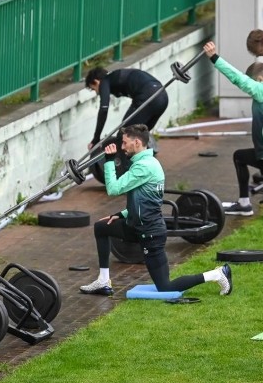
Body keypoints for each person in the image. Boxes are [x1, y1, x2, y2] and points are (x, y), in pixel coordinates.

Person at [79, 124, 233, 296]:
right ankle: (103, 281)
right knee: (101, 227)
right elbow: (144, 203)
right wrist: (119, 215)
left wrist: (108, 161)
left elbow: (113, 189)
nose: (122, 148)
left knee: (165, 286)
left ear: (136, 143)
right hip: (136, 227)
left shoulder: (144, 167)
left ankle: (217, 274)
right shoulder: (145, 163)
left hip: (151, 234)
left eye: (124, 143)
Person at [202, 41, 263, 216]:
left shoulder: (262, 90)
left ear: (258, 79)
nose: (250, 90)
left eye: (252, 84)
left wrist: (214, 58)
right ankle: (244, 204)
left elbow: (237, 78)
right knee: (240, 157)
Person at [85, 67, 169, 151]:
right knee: (140, 135)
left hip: (148, 97)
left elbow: (103, 110)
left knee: (124, 135)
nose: (96, 93)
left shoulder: (104, 81)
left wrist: (96, 139)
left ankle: (122, 163)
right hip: (162, 97)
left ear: (96, 81)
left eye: (93, 88)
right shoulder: (116, 75)